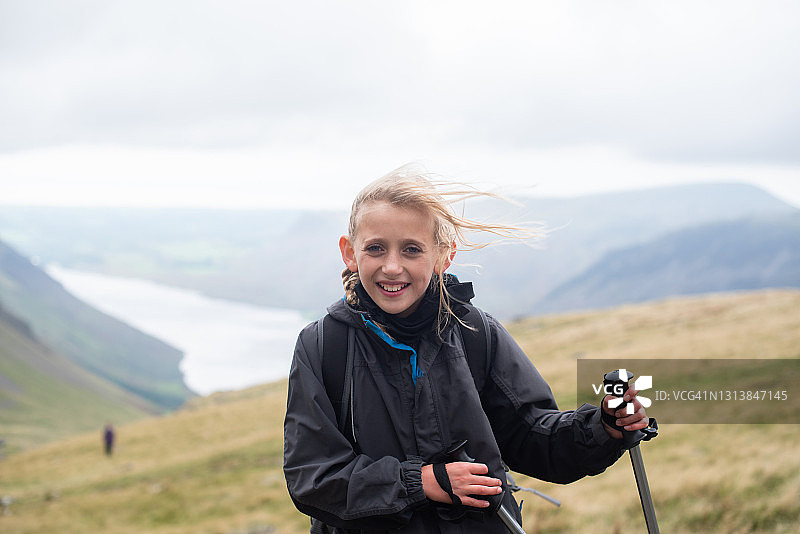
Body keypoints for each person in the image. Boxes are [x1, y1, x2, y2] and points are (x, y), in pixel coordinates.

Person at [283, 166, 650, 533]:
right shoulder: (323, 345)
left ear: (444, 254)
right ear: (349, 252)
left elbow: (531, 437)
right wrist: (422, 482)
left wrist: (604, 428)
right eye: (375, 248)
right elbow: (312, 478)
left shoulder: (476, 332)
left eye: (412, 249)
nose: (392, 267)